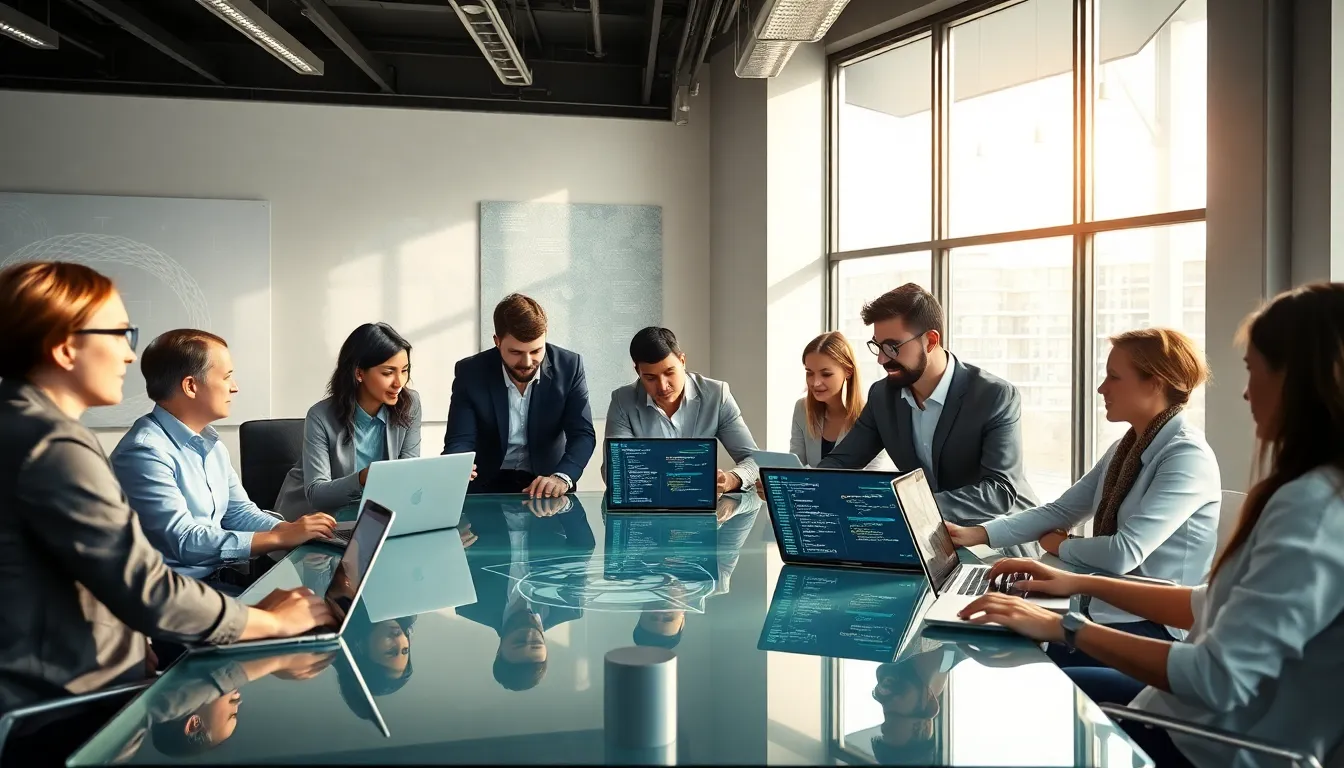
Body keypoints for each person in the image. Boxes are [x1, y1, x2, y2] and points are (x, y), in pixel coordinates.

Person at [959, 283, 1344, 768]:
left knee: (1025, 685)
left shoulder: (1310, 508)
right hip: (1184, 713)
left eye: (1253, 370)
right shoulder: (1311, 493)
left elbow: (1215, 677)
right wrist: (1072, 581)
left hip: (1204, 743)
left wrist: (1063, 625)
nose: (1246, 391)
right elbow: (1209, 602)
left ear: (1297, 379)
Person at [0, 261, 334, 718]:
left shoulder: (24, 425)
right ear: (64, 348)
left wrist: (127, 632)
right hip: (60, 704)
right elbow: (146, 584)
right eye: (119, 335)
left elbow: (86, 570)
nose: (128, 356)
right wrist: (271, 621)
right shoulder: (54, 444)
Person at [945, 328, 1219, 663]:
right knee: (990, 638)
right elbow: (1061, 510)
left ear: (1155, 383)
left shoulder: (1186, 456)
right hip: (1104, 611)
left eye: (1114, 377)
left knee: (1008, 653)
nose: (1102, 388)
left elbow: (1123, 553)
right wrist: (977, 534)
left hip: (1152, 629)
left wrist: (1059, 545)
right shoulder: (1127, 447)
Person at [111, 330, 337, 595]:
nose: (235, 387)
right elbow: (184, 541)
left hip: (216, 582)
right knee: (310, 616)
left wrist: (289, 529)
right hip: (171, 595)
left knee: (317, 603)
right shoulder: (144, 452)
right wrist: (279, 538)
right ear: (191, 386)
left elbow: (238, 513)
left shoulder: (210, 442)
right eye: (227, 377)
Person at [818, 283, 1039, 524]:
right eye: (877, 347)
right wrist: (797, 487)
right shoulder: (882, 396)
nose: (882, 359)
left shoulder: (994, 396)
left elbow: (999, 493)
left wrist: (904, 507)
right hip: (928, 533)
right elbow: (843, 461)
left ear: (931, 341)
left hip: (998, 534)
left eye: (892, 347)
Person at [444, 293, 596, 497]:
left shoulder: (570, 367)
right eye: (516, 352)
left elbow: (582, 434)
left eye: (536, 351)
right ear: (497, 341)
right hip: (486, 487)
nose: (527, 362)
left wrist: (562, 476)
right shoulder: (471, 372)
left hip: (547, 484)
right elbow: (460, 438)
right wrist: (458, 463)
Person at [275, 322, 421, 521]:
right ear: (359, 373)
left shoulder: (410, 404)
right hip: (314, 520)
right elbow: (316, 494)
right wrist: (362, 479)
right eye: (388, 373)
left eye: (404, 370)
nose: (399, 382)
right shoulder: (320, 416)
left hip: (373, 518)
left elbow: (408, 473)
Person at [605, 327, 760, 494]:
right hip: (649, 508)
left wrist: (732, 479)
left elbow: (754, 460)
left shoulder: (717, 395)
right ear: (638, 372)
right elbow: (613, 470)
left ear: (682, 361)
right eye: (650, 378)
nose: (663, 386)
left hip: (703, 509)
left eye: (669, 372)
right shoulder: (622, 400)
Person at [790, 331, 892, 469]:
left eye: (826, 374)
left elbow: (872, 479)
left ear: (848, 371)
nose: (815, 383)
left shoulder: (871, 415)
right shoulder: (802, 408)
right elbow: (795, 468)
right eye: (810, 373)